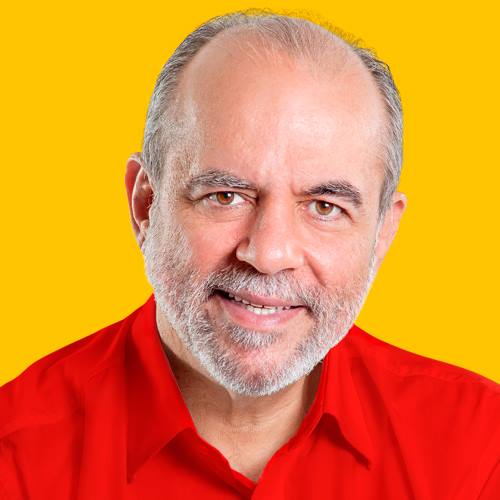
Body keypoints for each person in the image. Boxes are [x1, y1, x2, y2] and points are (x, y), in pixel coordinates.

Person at [1, 10, 499, 500]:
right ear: (145, 205)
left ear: (382, 233)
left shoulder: (480, 451)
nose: (269, 253)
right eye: (226, 196)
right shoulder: (16, 459)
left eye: (324, 207)